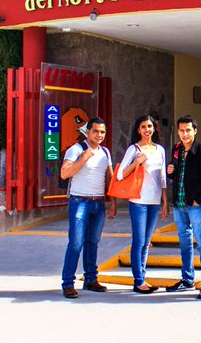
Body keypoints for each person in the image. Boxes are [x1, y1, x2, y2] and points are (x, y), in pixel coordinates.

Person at [59, 117, 117, 299]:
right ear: (88, 132)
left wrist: (113, 202)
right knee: (76, 243)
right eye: (95, 131)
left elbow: (110, 178)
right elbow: (64, 173)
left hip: (98, 203)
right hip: (79, 202)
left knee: (93, 242)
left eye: (102, 132)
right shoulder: (76, 150)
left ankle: (91, 279)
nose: (99, 135)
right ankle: (68, 283)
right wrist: (83, 158)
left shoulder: (105, 152)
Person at [165, 115, 201, 300]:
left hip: (195, 205)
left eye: (188, 130)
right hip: (179, 204)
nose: (185, 134)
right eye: (181, 130)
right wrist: (170, 172)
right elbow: (178, 175)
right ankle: (187, 279)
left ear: (195, 131)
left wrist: (200, 199)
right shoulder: (177, 149)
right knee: (184, 243)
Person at [117, 115, 167, 294]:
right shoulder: (134, 148)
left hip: (154, 201)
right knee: (138, 241)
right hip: (138, 201)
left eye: (150, 126)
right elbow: (120, 174)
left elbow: (162, 177)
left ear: (154, 129)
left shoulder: (160, 149)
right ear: (138, 130)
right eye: (143, 127)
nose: (147, 130)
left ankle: (141, 277)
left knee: (146, 242)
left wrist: (165, 201)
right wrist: (137, 162)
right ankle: (139, 281)